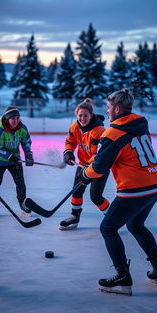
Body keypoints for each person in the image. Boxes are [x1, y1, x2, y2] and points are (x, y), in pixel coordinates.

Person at [78, 88, 157, 295]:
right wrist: (94, 161)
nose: (107, 112)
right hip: (156, 185)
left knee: (108, 228)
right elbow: (113, 154)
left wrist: (85, 174)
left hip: (135, 190)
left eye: (109, 108)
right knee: (136, 224)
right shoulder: (139, 125)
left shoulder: (113, 132)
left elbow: (100, 169)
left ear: (117, 109)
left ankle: (122, 277)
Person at [60, 98, 109, 230]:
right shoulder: (75, 126)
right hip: (83, 165)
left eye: (85, 115)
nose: (82, 118)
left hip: (99, 167)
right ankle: (75, 217)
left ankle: (112, 218)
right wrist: (68, 152)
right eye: (80, 115)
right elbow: (70, 141)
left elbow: (98, 155)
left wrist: (88, 166)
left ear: (91, 115)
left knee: (96, 197)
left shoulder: (99, 131)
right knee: (76, 192)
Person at [0, 107, 34, 217]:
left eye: (18, 118)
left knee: (20, 182)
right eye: (13, 118)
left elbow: (26, 141)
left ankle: (22, 203)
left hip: (14, 159)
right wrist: (9, 156)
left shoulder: (22, 128)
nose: (16, 121)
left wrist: (28, 154)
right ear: (7, 119)